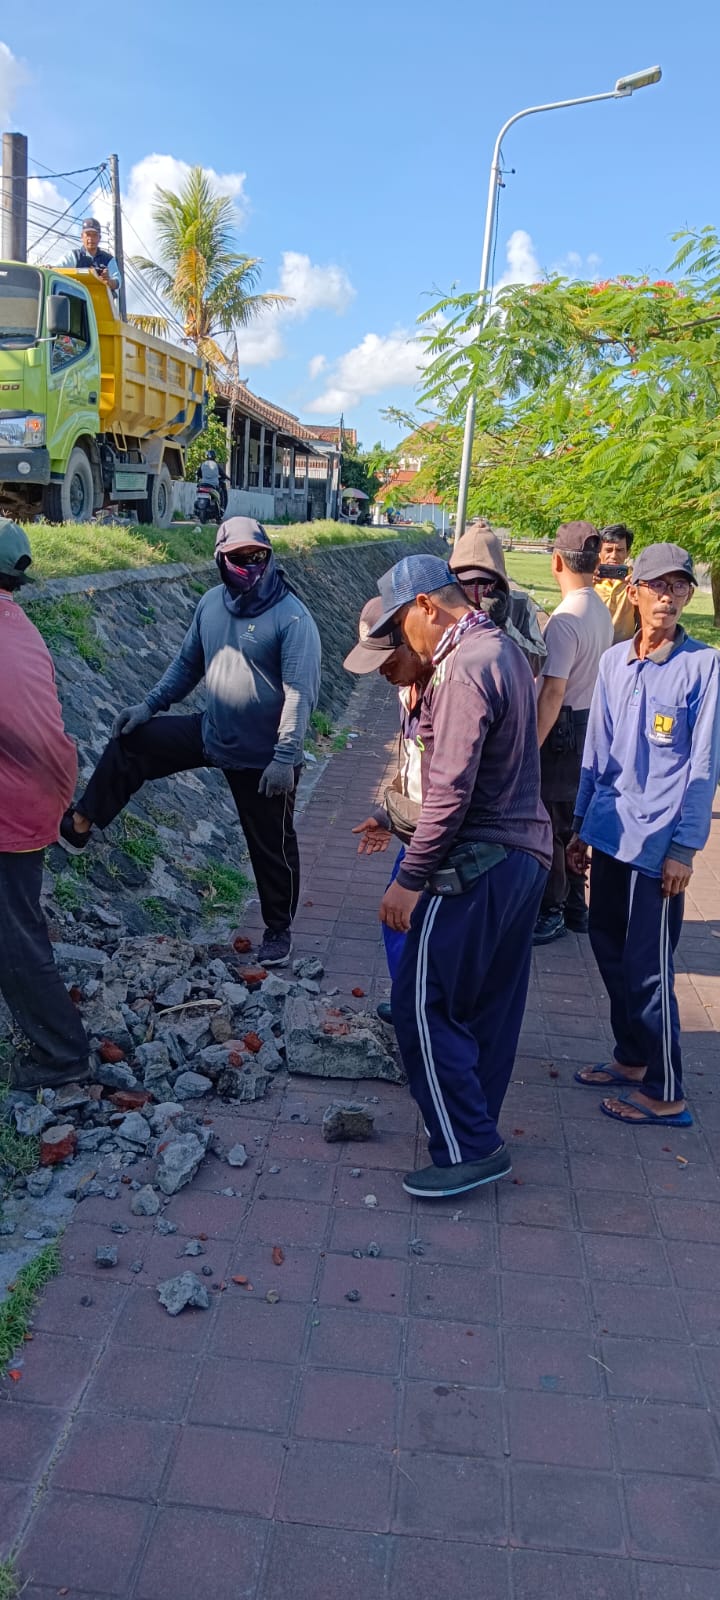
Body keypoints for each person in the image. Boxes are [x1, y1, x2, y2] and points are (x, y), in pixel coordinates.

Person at [59, 518, 321, 968]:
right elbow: (186, 666)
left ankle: (279, 930)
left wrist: (284, 757)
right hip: (211, 732)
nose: (250, 565)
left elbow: (301, 693)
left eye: (258, 556)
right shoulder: (211, 605)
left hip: (265, 757)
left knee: (272, 846)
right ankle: (82, 821)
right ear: (221, 560)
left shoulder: (292, 618)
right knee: (134, 740)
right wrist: (148, 705)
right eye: (239, 558)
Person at [368, 554, 551, 1198]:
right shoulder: (498, 651)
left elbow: (449, 789)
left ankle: (471, 1147)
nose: (403, 642)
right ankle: (477, 1128)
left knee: (421, 1001)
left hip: (480, 859)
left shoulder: (467, 666)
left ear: (425, 606)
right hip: (524, 856)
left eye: (401, 624)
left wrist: (409, 879)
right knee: (490, 1006)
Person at [568, 543, 720, 1127]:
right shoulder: (613, 662)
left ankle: (666, 1090)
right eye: (657, 585)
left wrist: (684, 848)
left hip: (658, 850)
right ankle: (631, 1057)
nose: (669, 596)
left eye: (680, 586)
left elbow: (703, 767)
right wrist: (580, 826)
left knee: (650, 968)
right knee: (607, 948)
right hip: (608, 833)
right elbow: (596, 751)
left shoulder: (703, 666)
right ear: (634, 590)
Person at [0, 520, 90, 1091]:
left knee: (14, 932)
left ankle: (62, 1052)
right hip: (40, 789)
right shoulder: (19, 625)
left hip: (13, 799)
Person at [343, 596, 431, 1015]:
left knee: (405, 917)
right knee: (399, 923)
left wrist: (413, 876)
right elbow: (412, 768)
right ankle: (412, 1001)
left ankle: (422, 1012)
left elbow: (451, 794)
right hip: (419, 829)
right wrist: (387, 814)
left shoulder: (450, 694)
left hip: (445, 839)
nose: (382, 671)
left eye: (386, 657)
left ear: (412, 637)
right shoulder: (407, 691)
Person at [533, 522, 614, 944]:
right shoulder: (598, 607)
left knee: (548, 822)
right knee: (570, 820)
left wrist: (531, 749)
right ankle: (577, 909)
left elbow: (552, 690)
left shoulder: (565, 620)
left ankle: (551, 911)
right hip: (588, 724)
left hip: (562, 727)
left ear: (557, 561)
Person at [449, 519, 548, 676]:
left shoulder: (520, 604)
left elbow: (537, 663)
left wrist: (504, 625)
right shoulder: (447, 603)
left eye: (483, 580)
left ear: (497, 577)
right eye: (467, 580)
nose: (475, 587)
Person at [594, 522, 637, 642]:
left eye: (619, 550)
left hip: (623, 651)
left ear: (627, 553)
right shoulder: (588, 579)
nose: (613, 555)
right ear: (599, 551)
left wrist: (639, 589)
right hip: (593, 648)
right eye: (608, 550)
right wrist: (586, 584)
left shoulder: (636, 580)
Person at [59, 218, 122, 296]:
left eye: (95, 235)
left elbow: (118, 282)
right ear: (82, 236)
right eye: (88, 234)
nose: (91, 238)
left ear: (99, 238)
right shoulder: (73, 256)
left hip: (102, 304)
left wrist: (109, 281)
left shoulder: (108, 259)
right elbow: (57, 269)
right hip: (78, 301)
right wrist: (48, 267)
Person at [197, 449, 229, 515]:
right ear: (214, 456)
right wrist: (227, 478)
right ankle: (222, 508)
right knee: (222, 493)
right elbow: (223, 474)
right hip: (213, 485)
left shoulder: (203, 464)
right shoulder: (216, 465)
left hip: (203, 484)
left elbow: (198, 474)